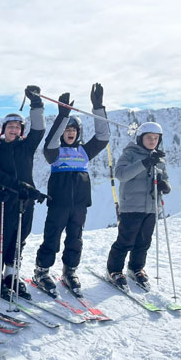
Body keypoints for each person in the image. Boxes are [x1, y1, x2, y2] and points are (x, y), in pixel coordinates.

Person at [33, 84, 111, 297]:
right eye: (67, 130)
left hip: (79, 204)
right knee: (52, 238)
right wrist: (63, 116)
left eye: (73, 130)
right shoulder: (55, 153)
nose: (70, 133)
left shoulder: (85, 151)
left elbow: (103, 137)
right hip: (58, 203)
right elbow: (48, 143)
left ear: (78, 133)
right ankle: (41, 270)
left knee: (75, 238)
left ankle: (70, 270)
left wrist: (98, 107)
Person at [0, 85, 47, 301]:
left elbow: (39, 130)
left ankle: (11, 275)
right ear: (4, 129)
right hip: (5, 201)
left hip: (26, 200)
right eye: (10, 126)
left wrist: (36, 103)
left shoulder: (26, 146)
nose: (14, 130)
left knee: (21, 238)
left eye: (18, 127)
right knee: (1, 238)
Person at [106, 121, 170, 290]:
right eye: (149, 137)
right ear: (141, 138)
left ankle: (136, 268)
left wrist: (165, 184)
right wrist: (145, 163)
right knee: (126, 240)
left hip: (151, 206)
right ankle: (114, 270)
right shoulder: (130, 154)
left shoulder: (158, 157)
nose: (152, 141)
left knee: (144, 241)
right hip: (131, 206)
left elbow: (163, 175)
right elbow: (121, 174)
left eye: (156, 138)